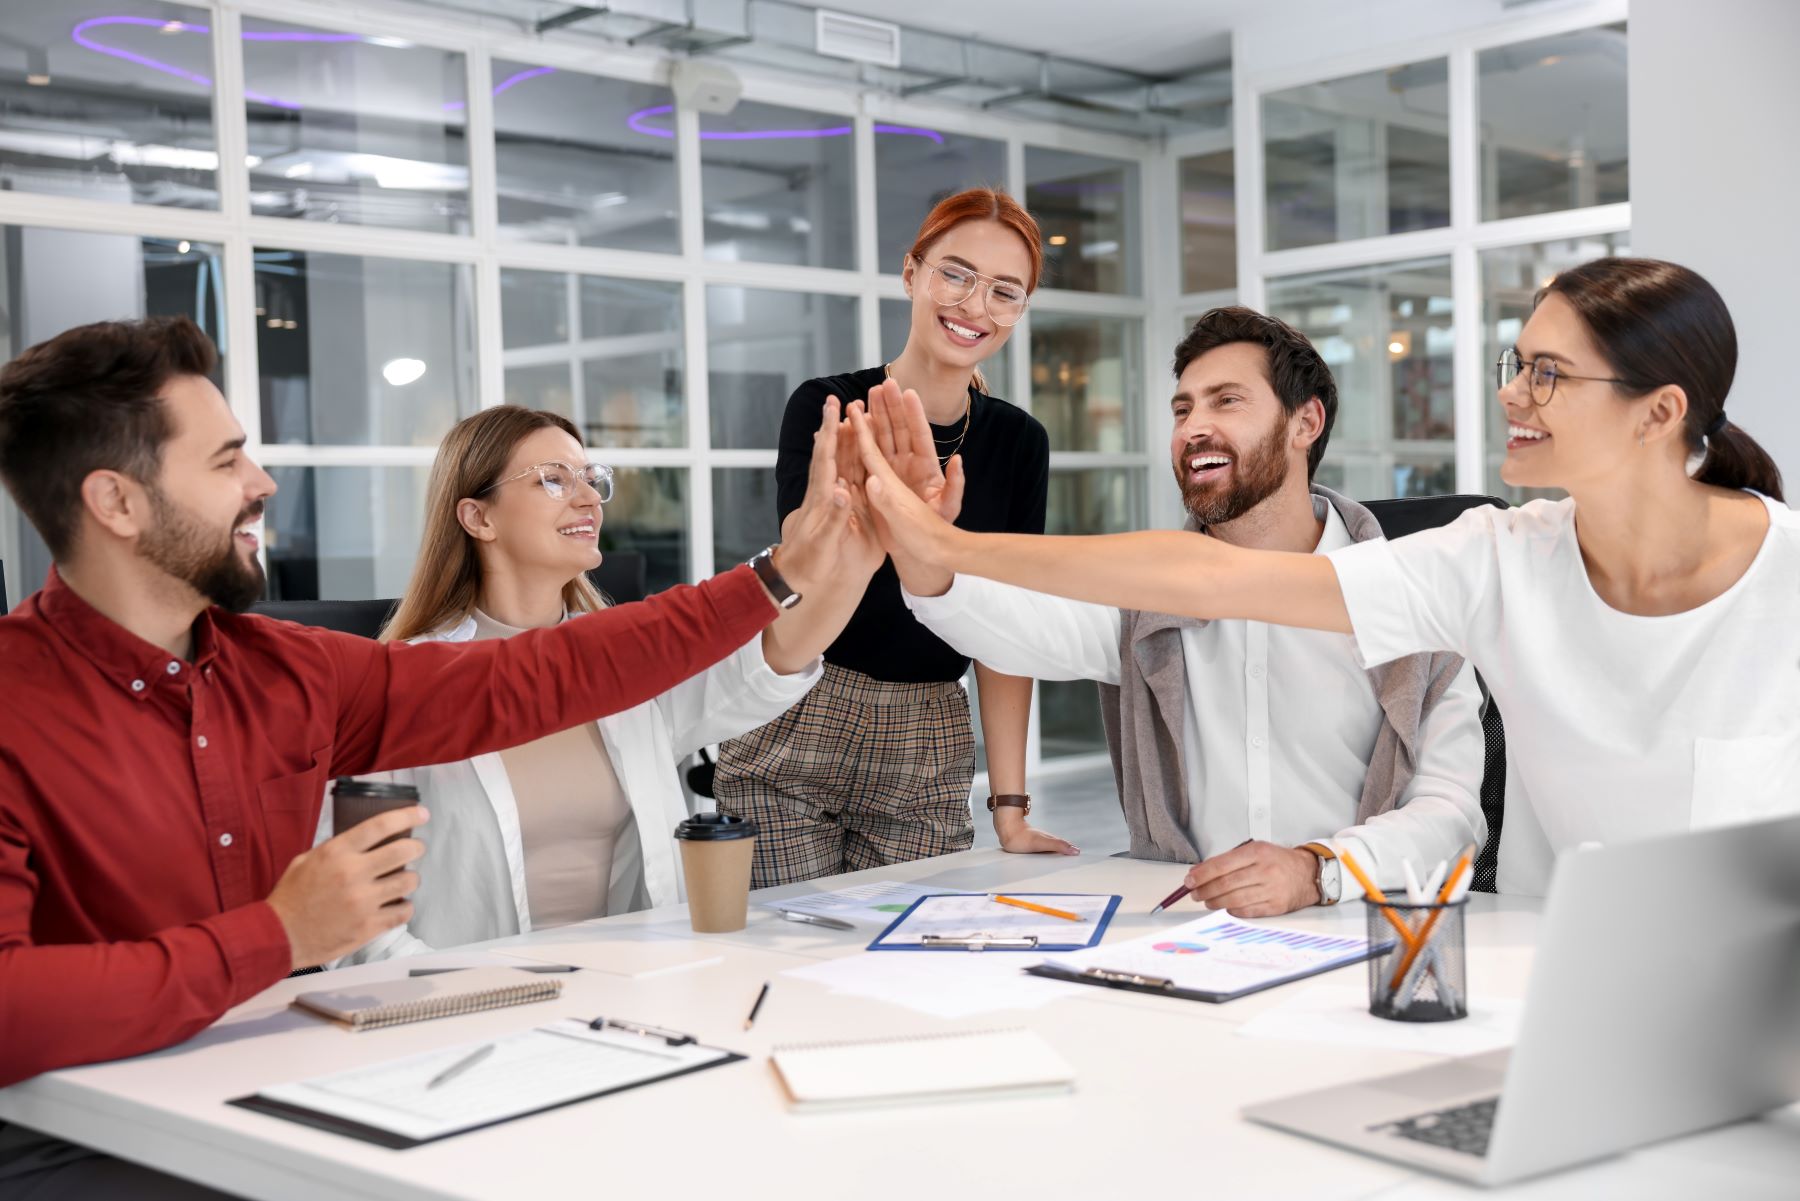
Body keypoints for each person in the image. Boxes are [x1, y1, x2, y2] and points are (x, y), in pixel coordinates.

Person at [0, 317, 859, 1193]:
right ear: (116, 502)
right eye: (224, 463)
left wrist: (776, 573)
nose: (261, 483)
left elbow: (549, 672)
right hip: (90, 1142)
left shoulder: (291, 670)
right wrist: (283, 932)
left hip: (303, 1092)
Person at [852, 258, 1799, 897]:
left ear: (1658, 412)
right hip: (1528, 981)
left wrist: (1322, 868)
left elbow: (1451, 814)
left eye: (1546, 373)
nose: (1510, 392)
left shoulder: (1778, 580)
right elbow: (1199, 582)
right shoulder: (1494, 557)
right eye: (1518, 364)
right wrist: (939, 553)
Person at [877, 308, 1485, 916]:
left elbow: (1452, 814)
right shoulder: (1149, 609)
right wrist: (918, 545)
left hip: (1363, 931)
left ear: (1306, 422)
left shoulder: (1410, 599)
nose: (1195, 427)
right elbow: (1006, 627)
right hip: (1189, 935)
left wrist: (1318, 869)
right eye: (1182, 409)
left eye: (1226, 401)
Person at [329, 403, 881, 962]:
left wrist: (859, 559)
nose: (590, 498)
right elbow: (354, 918)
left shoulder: (625, 663)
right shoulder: (403, 686)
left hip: (629, 992)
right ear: (478, 518)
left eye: (591, 479)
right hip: (467, 1008)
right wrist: (454, 994)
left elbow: (771, 659)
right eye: (552, 479)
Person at [714, 187, 1074, 886]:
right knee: (783, 962)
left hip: (927, 731)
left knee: (908, 965)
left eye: (1005, 291)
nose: (975, 307)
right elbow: (799, 564)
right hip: (803, 709)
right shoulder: (828, 406)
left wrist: (1009, 806)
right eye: (956, 274)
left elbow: (1008, 628)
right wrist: (879, 522)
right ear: (912, 273)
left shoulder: (1019, 442)